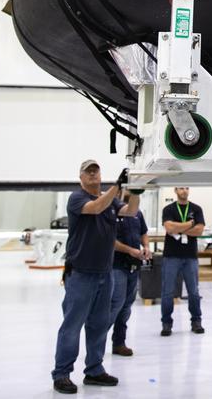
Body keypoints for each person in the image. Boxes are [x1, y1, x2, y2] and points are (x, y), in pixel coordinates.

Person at [53, 160, 141, 395]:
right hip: (81, 274)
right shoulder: (77, 198)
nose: (92, 174)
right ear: (81, 177)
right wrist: (118, 186)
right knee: (72, 326)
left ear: (101, 175)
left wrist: (136, 190)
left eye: (95, 171)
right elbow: (95, 207)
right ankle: (61, 374)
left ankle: (94, 370)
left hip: (105, 273)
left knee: (99, 325)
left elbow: (131, 211)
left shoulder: (111, 200)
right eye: (88, 171)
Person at [160, 187, 206, 337]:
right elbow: (169, 228)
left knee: (193, 292)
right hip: (171, 256)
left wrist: (178, 228)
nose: (184, 191)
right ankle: (166, 323)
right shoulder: (168, 209)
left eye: (186, 188)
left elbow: (199, 231)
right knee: (167, 292)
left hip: (190, 256)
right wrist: (190, 224)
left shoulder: (196, 209)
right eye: (181, 188)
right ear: (175, 190)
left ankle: (196, 321)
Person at [108, 199, 150, 357]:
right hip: (117, 265)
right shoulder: (111, 211)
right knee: (116, 304)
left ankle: (119, 343)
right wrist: (130, 250)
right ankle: (96, 341)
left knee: (126, 306)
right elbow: (109, 240)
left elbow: (143, 233)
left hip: (133, 265)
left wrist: (146, 247)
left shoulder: (137, 213)